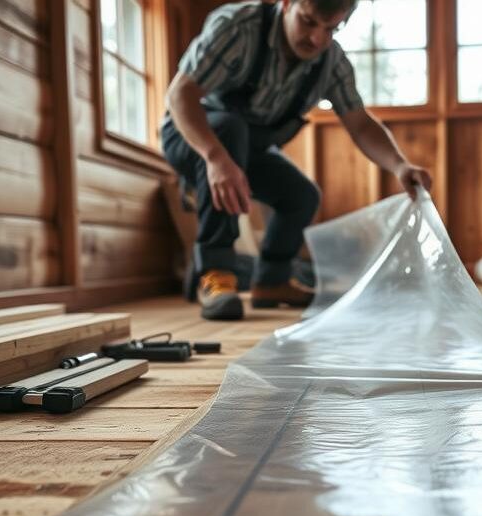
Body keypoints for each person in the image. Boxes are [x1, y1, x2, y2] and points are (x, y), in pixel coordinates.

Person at [162, 0, 432, 320]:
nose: (317, 39)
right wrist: (215, 157)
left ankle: (271, 282)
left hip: (246, 149)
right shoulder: (239, 27)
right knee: (229, 129)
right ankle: (216, 274)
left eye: (331, 29)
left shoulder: (331, 61)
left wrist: (400, 164)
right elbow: (181, 94)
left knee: (302, 196)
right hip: (190, 135)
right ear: (287, 4)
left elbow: (359, 123)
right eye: (308, 22)